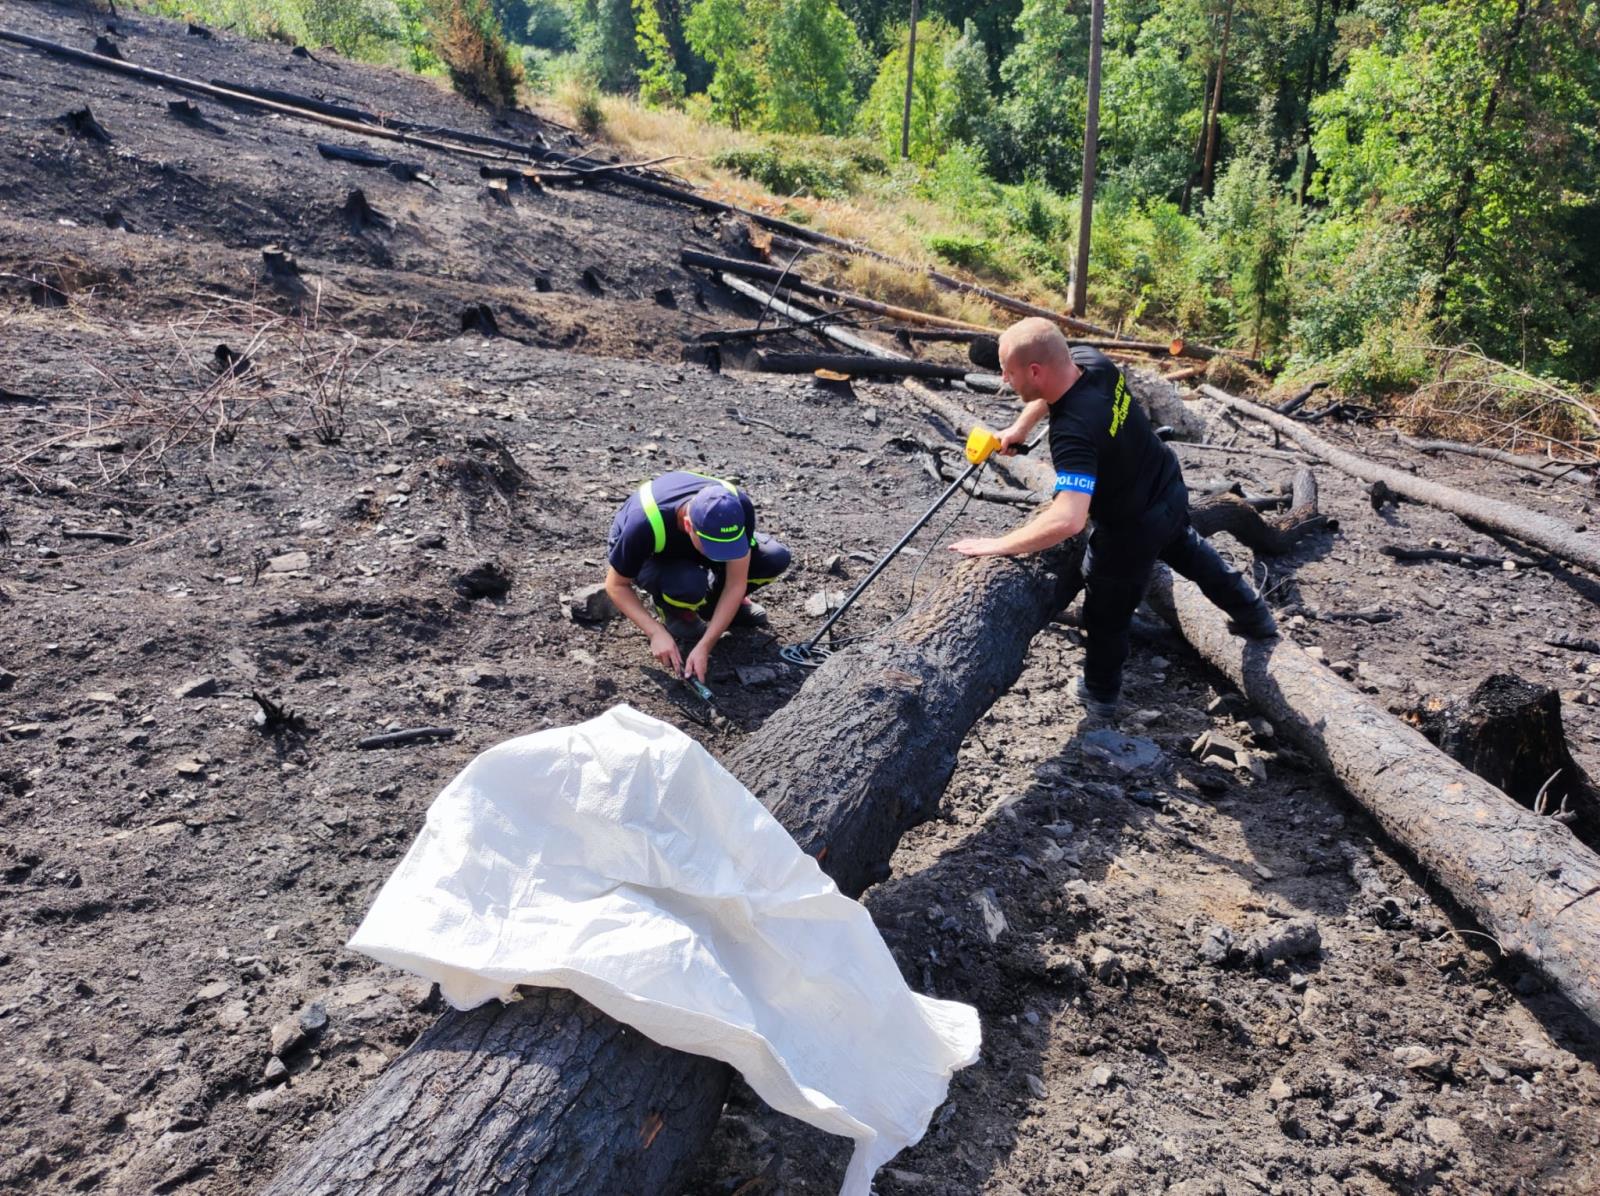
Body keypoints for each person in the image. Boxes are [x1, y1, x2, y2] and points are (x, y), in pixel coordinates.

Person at [950, 318, 1275, 720]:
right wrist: (1019, 427)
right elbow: (1051, 391)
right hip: (1165, 485)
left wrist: (997, 545)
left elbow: (1069, 519)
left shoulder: (1072, 432)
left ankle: (1100, 693)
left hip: (1131, 528)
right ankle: (1255, 616)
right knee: (1187, 548)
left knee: (1106, 608)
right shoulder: (1090, 361)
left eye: (1008, 372)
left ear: (1034, 371)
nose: (1004, 379)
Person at [604, 470, 791, 683]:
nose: (723, 555)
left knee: (774, 558)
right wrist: (655, 632)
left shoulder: (738, 506)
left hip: (695, 541)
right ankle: (674, 608)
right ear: (688, 525)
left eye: (728, 546)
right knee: (688, 584)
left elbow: (735, 583)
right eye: (714, 547)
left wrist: (705, 645)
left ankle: (714, 607)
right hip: (652, 555)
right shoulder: (642, 524)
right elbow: (616, 585)